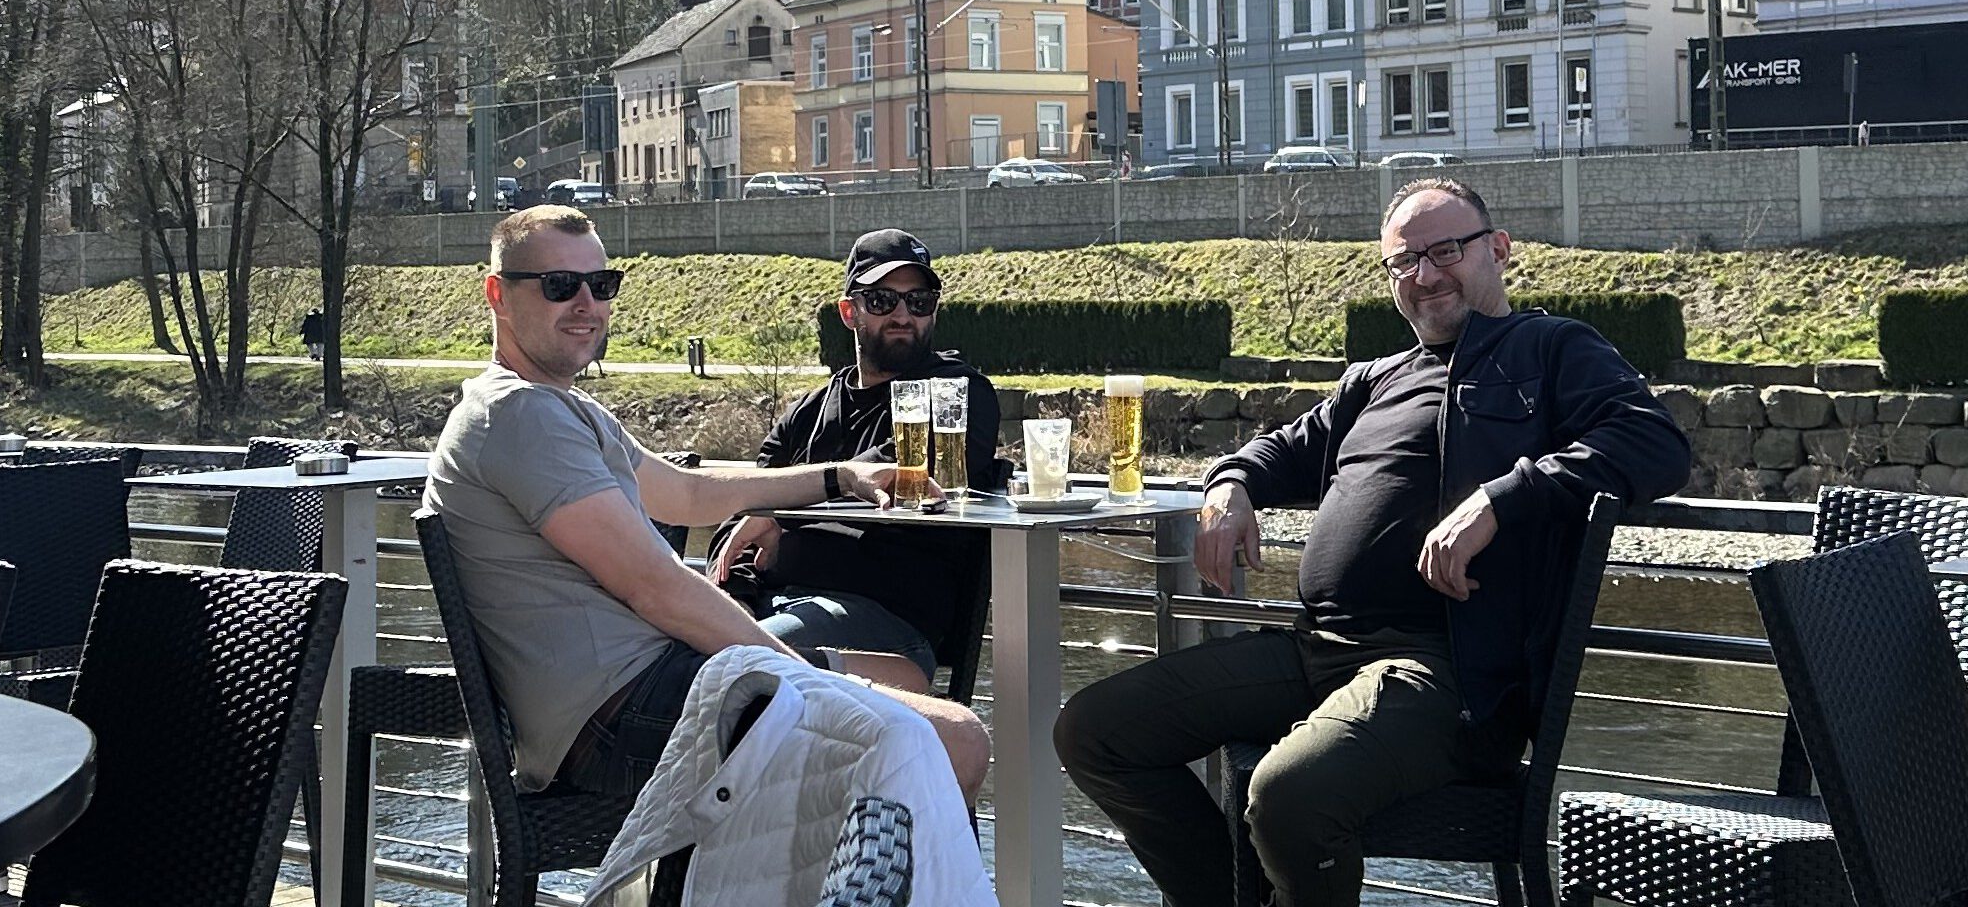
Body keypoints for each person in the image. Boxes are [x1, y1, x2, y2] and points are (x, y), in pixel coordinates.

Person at [1054, 179, 1691, 907]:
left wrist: (1499, 498)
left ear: (1499, 250)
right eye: (1403, 262)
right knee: (1095, 732)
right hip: (1318, 651)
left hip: (1447, 673)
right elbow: (1280, 451)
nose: (1424, 276)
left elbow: (1655, 445)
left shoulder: (1548, 349)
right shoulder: (1375, 379)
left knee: (1289, 792)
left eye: (1444, 251)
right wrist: (1228, 485)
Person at [421, 205, 988, 801]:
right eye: (560, 286)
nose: (586, 304)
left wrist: (837, 476)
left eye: (601, 284)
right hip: (628, 718)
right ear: (498, 295)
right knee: (953, 739)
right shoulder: (522, 415)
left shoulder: (556, 408)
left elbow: (690, 495)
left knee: (921, 723)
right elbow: (655, 587)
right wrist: (796, 675)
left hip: (639, 699)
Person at [711, 228, 1002, 683]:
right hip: (776, 607)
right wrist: (738, 599)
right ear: (850, 311)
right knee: (667, 653)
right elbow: (743, 514)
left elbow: (897, 471)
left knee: (726, 664)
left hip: (880, 623)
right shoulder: (806, 412)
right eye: (884, 300)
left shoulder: (957, 397)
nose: (904, 314)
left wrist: (783, 515)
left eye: (920, 301)